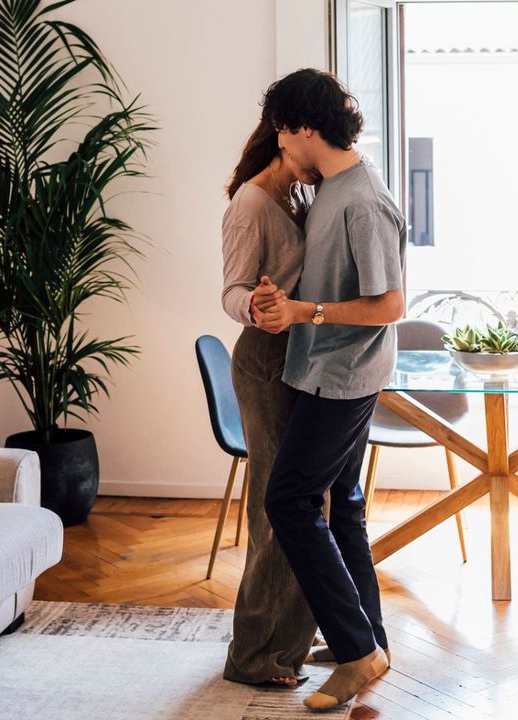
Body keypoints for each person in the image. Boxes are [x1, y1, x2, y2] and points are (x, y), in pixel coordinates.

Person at [252, 68, 407, 711]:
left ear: (302, 128)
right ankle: (367, 640)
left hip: (344, 380)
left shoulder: (363, 200)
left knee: (288, 501)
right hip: (329, 372)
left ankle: (355, 653)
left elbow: (391, 303)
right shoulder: (334, 187)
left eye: (282, 134)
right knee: (342, 505)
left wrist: (304, 313)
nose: (280, 148)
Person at [218, 119, 320, 688]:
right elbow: (231, 288)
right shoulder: (251, 203)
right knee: (271, 509)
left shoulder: (301, 191)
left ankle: (291, 644)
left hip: (300, 358)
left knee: (304, 507)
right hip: (265, 360)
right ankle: (252, 655)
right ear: (286, 136)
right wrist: (255, 306)